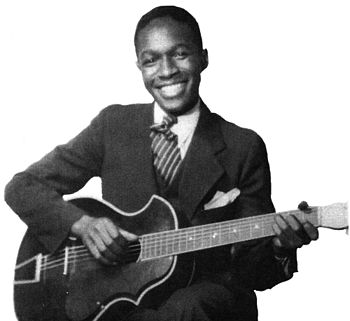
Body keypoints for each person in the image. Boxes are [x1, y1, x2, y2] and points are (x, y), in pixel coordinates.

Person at [4, 5, 319, 321]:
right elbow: (23, 187)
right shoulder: (112, 126)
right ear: (139, 66)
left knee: (192, 307)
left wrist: (280, 246)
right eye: (150, 60)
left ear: (203, 58)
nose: (166, 70)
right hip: (119, 304)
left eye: (180, 54)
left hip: (204, 307)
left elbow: (256, 273)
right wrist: (84, 225)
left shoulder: (243, 146)